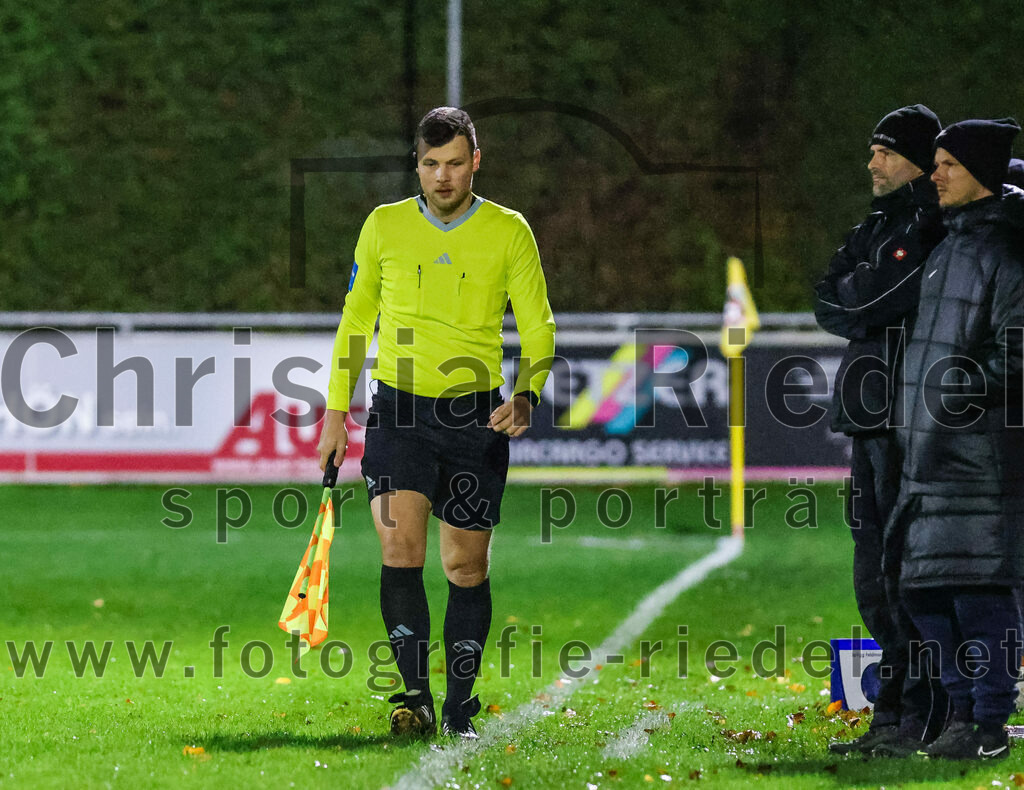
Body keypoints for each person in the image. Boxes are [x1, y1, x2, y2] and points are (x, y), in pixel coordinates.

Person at [316, 107, 556, 739]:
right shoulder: (384, 225)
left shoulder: (509, 230)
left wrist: (527, 393)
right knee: (400, 549)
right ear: (417, 165)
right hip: (398, 413)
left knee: (465, 568)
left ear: (476, 161)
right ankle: (415, 698)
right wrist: (336, 412)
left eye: (453, 163)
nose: (442, 176)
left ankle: (459, 705)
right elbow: (355, 321)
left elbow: (538, 324)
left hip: (475, 419)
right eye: (430, 164)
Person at [814, 105, 949, 756]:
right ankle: (893, 715)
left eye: (885, 152)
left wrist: (863, 294)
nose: (872, 162)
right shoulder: (877, 225)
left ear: (918, 162)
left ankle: (921, 714)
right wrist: (864, 294)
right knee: (873, 576)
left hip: (909, 419)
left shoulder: (934, 226)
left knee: (906, 574)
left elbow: (866, 298)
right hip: (868, 418)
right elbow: (828, 297)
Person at [892, 117, 1024, 760]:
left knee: (978, 591)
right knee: (924, 591)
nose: (935, 174)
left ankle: (989, 721)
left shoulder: (1007, 251)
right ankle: (961, 714)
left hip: (979, 457)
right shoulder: (948, 245)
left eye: (948, 164)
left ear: (983, 175)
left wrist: (952, 392)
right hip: (930, 453)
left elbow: (1017, 355)